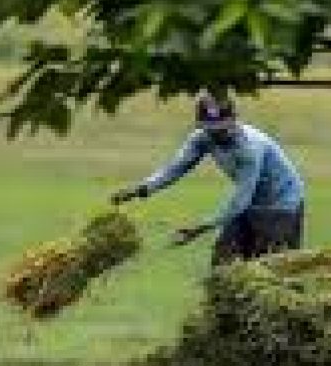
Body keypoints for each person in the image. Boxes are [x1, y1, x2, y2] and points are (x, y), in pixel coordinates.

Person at [110, 91, 306, 266]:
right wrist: (141, 189)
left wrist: (202, 227)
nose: (217, 134)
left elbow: (241, 200)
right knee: (223, 262)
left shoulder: (249, 149)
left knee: (272, 267)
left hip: (280, 203)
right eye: (210, 129)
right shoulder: (202, 138)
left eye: (222, 128)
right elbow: (176, 168)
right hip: (249, 202)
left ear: (234, 120)